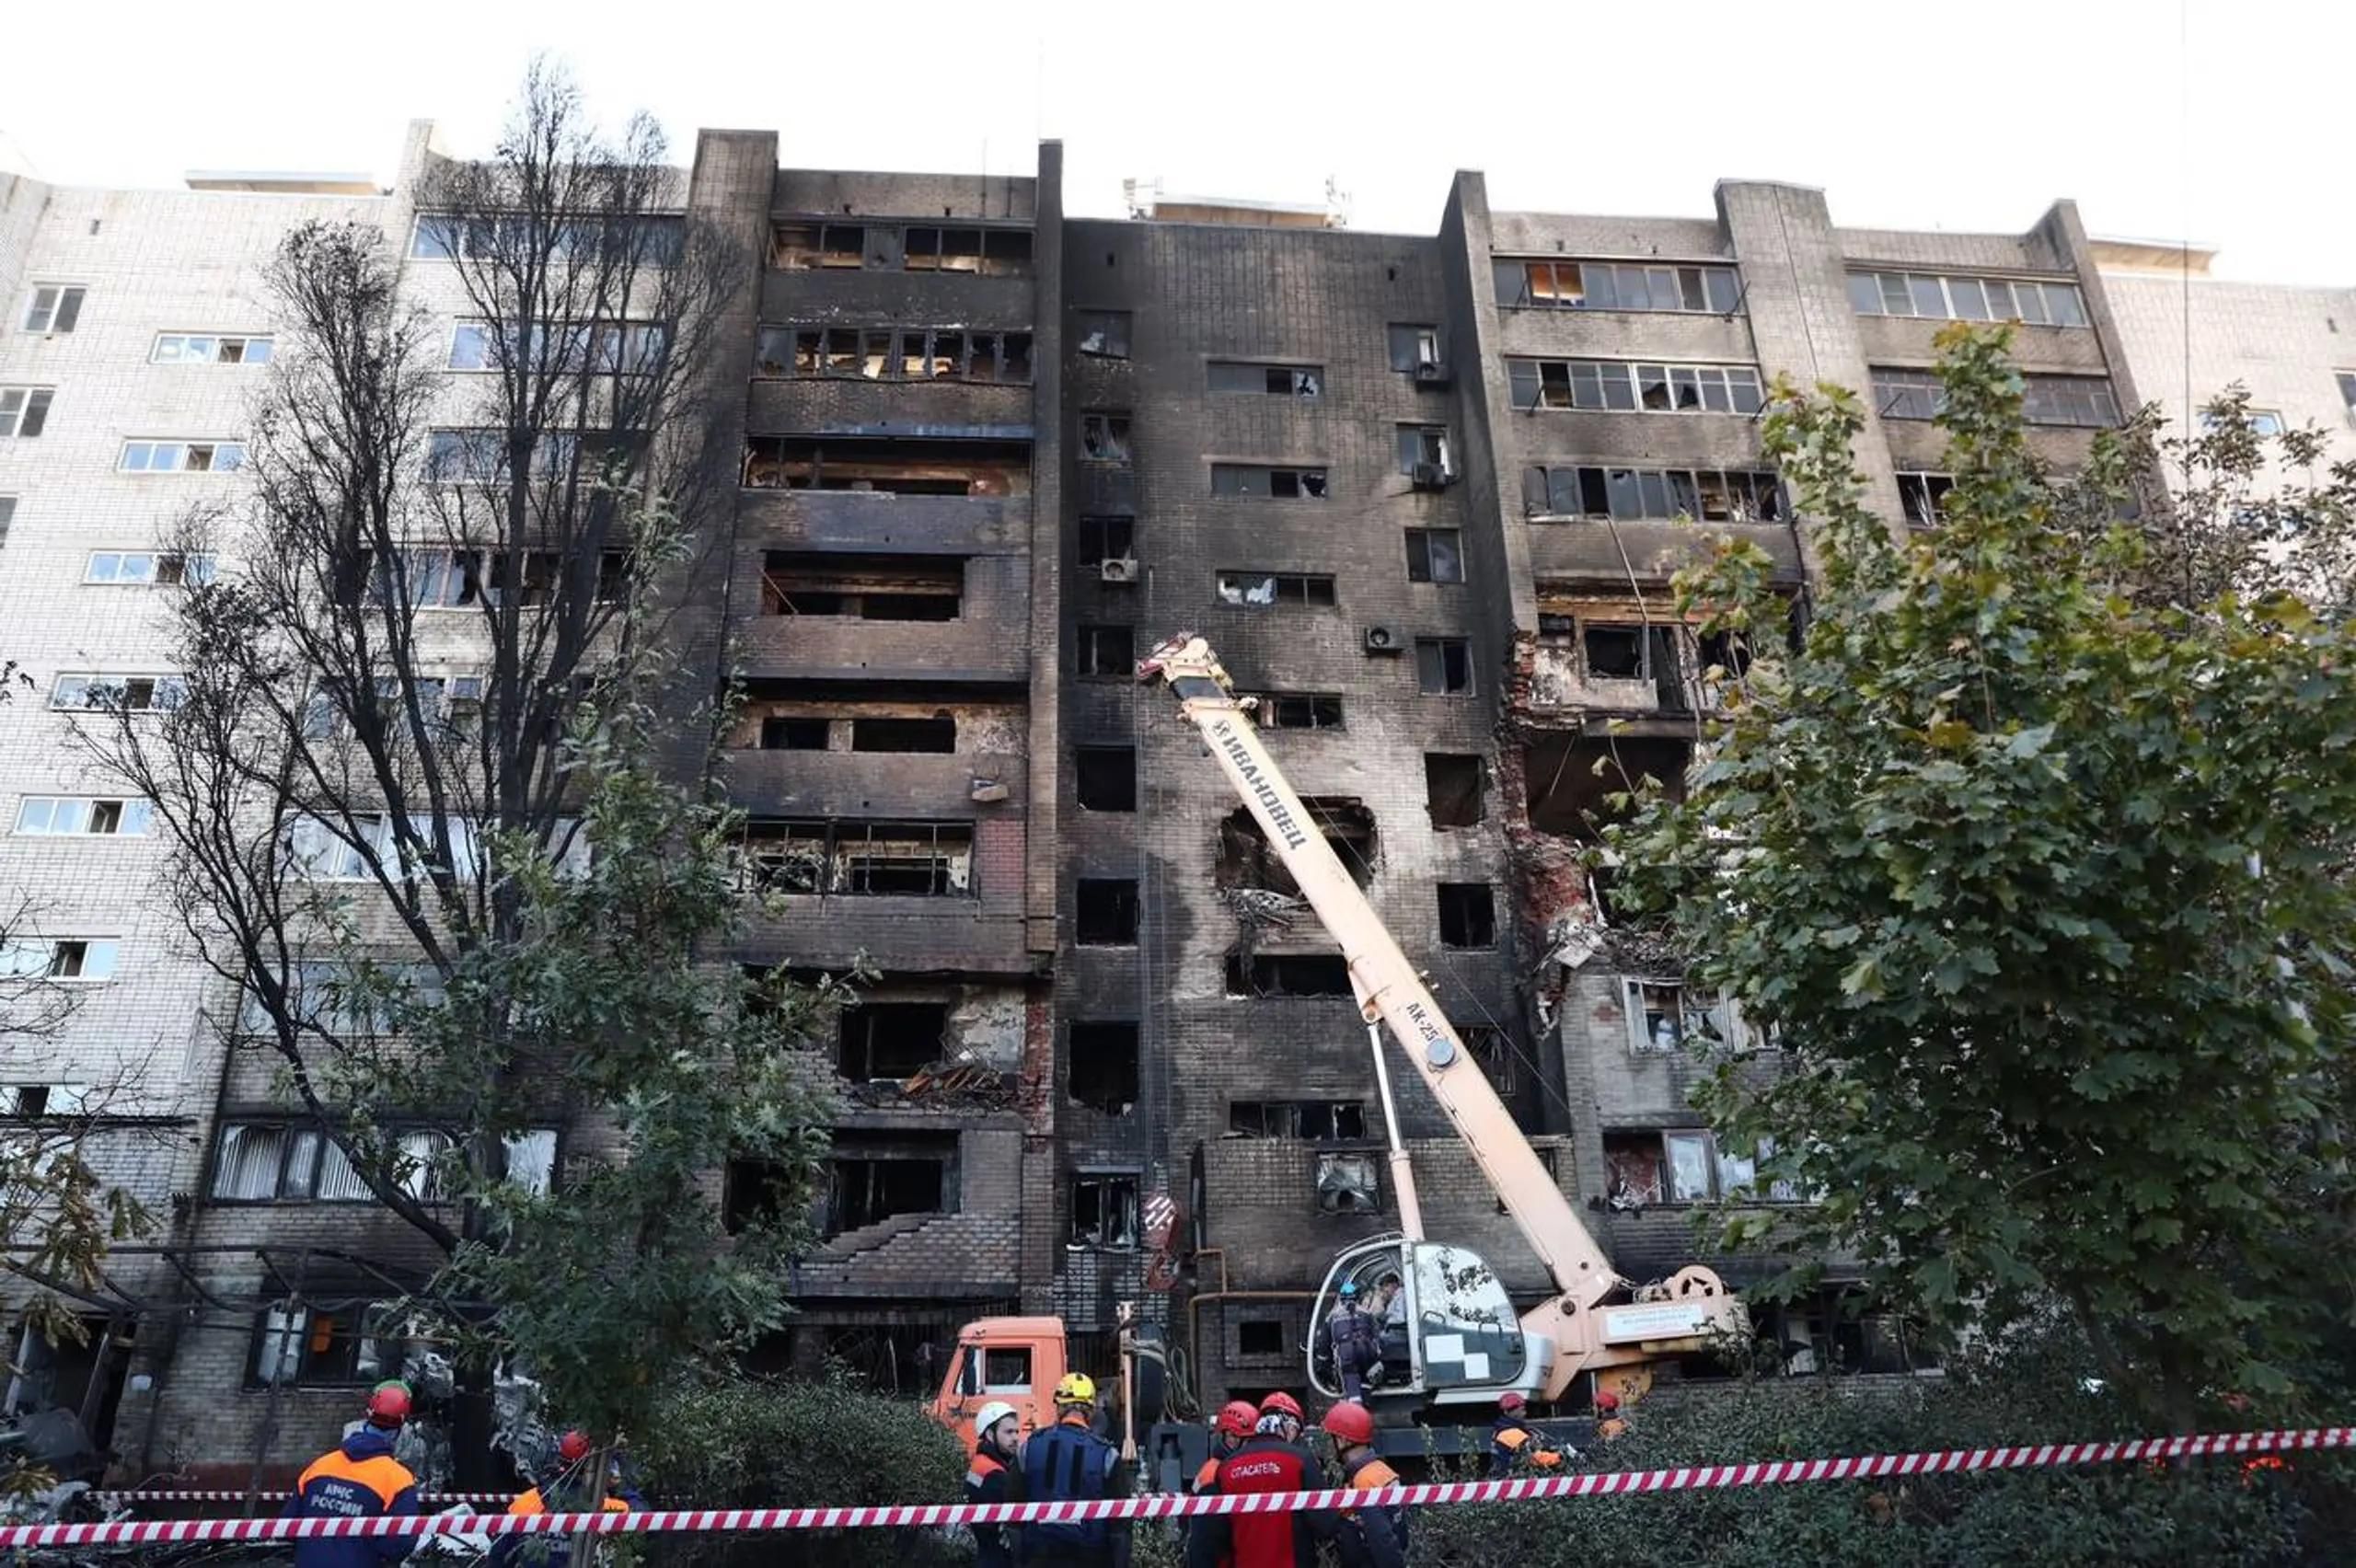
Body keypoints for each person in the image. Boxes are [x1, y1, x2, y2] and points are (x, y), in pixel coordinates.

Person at [1187, 1391, 1347, 1568]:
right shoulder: (1300, 1460)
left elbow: (1211, 1538)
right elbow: (1326, 1524)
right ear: (1289, 1427)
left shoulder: (1226, 1468)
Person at [282, 1381, 422, 1568]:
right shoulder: (397, 1479)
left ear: (367, 1417)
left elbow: (288, 1526)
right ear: (400, 1428)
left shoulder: (320, 1465)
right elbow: (401, 1543)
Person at [1020, 1373, 1130, 1568]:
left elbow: (1012, 1512)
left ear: (1059, 1407)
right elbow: (1120, 1527)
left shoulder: (1029, 1448)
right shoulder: (1106, 1455)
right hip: (1091, 1557)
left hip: (1038, 1556)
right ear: (1091, 1410)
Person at [486, 1429, 632, 1568]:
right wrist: (619, 1487)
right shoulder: (606, 1507)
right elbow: (639, 1513)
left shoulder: (528, 1501)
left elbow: (498, 1558)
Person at [1320, 1402, 1406, 1568]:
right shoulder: (1381, 1470)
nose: (1330, 1446)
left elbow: (1382, 1539)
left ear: (1343, 1441)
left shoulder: (1364, 1481)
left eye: (1332, 1437)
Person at [965, 1401, 1023, 1568]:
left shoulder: (980, 1462)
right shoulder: (994, 1473)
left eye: (1016, 1432)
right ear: (990, 1434)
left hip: (987, 1554)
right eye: (1008, 1432)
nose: (1015, 1438)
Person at [1488, 1391, 1565, 1478]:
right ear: (1508, 1412)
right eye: (1519, 1409)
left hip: (1503, 1476)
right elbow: (1535, 1458)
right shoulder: (1510, 1433)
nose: (1524, 1411)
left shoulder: (1501, 1429)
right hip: (1513, 1478)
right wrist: (1559, 1457)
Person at [1323, 1285, 1379, 1401]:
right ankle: (1367, 1401)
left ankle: (1356, 1407)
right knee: (1365, 1376)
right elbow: (1376, 1335)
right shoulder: (1367, 1313)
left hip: (1346, 1352)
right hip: (1366, 1348)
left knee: (1351, 1379)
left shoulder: (1333, 1316)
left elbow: (1325, 1342)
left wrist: (1323, 1360)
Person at [1193, 1401, 1260, 1493]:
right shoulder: (1212, 1472)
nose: (1250, 1445)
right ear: (1228, 1437)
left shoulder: (1239, 1468)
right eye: (1247, 1440)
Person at [1372, 1275, 1409, 1378]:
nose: (1385, 1292)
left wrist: (1384, 1319)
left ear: (1393, 1285)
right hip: (1395, 1331)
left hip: (1399, 1332)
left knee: (1372, 1343)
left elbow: (1400, 1318)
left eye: (1385, 1288)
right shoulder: (1396, 1297)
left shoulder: (1401, 1296)